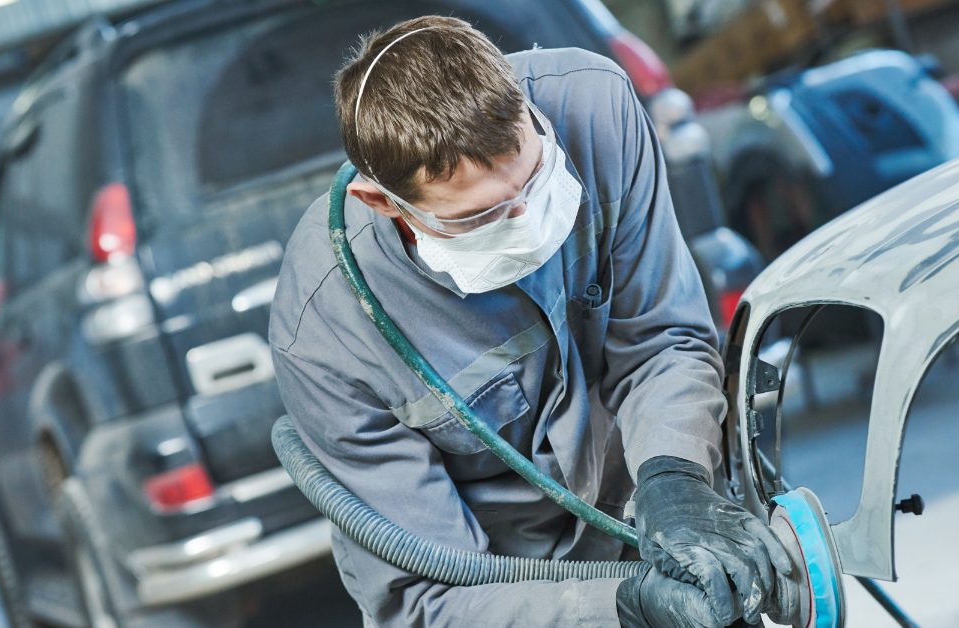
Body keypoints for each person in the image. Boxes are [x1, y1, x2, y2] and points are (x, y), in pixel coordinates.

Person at [270, 15, 792, 627]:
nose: (528, 221)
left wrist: (676, 483)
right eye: (480, 217)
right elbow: (423, 598)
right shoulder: (327, 331)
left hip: (654, 516)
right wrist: (618, 607)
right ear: (385, 204)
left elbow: (662, 337)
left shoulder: (594, 109)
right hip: (515, 599)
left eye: (536, 179)